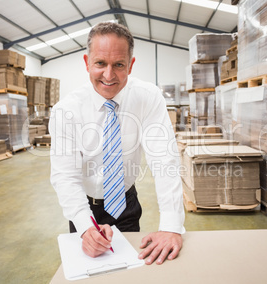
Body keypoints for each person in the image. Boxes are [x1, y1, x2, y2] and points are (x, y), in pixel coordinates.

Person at [49, 21, 185, 265]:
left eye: (119, 65)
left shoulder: (147, 97)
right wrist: (85, 226)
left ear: (130, 65)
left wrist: (171, 226)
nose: (109, 75)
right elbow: (65, 176)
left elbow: (164, 159)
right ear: (87, 63)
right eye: (100, 63)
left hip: (125, 204)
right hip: (84, 206)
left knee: (131, 270)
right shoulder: (66, 111)